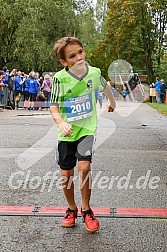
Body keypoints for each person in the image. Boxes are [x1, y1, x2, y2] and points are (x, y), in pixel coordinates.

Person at [50, 36, 116, 232]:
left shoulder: (94, 73)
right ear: (64, 62)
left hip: (87, 129)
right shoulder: (59, 78)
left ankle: (86, 209)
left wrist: (112, 103)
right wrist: (61, 122)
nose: (79, 57)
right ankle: (72, 208)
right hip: (66, 132)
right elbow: (53, 106)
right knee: (66, 173)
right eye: (72, 56)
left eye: (80, 52)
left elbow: (106, 87)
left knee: (84, 168)